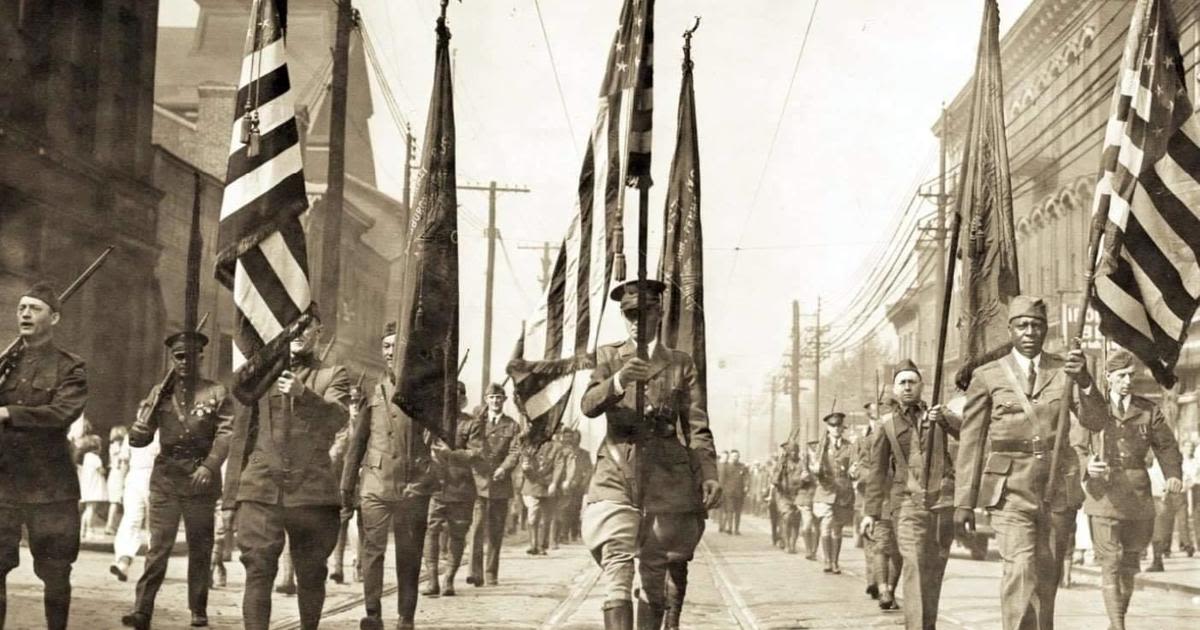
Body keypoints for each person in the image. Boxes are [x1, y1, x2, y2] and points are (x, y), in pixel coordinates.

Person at [954, 295, 1106, 630]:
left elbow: (1096, 421)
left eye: (1036, 325)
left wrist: (1085, 381)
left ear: (1045, 330)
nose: (1030, 332)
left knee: (1046, 577)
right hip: (1010, 491)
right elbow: (971, 442)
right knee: (1020, 570)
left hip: (1056, 487)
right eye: (1022, 325)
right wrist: (964, 501)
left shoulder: (1066, 369)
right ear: (1010, 329)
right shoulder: (987, 375)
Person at [579, 279, 721, 630]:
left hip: (666, 477)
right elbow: (588, 405)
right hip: (617, 470)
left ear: (659, 314)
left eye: (645, 314)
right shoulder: (609, 357)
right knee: (618, 563)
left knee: (656, 571)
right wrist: (619, 381)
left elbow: (697, 425)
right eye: (629, 315)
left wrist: (709, 472)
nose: (636, 322)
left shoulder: (679, 364)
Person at [224, 307, 351, 630]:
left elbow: (338, 417)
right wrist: (229, 497)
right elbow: (242, 436)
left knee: (310, 572)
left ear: (318, 333)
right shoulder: (261, 376)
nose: (297, 333)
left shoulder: (333, 374)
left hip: (311, 490)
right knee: (258, 569)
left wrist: (303, 394)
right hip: (262, 485)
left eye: (305, 328)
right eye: (291, 327)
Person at [120, 329, 234, 629]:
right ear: (172, 358)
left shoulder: (216, 393)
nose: (184, 362)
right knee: (158, 547)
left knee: (200, 546)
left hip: (200, 480)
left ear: (200, 357)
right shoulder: (160, 393)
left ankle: (198, 608)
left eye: (189, 356)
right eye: (178, 356)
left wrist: (209, 467)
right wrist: (140, 430)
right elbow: (140, 437)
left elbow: (225, 435)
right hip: (167, 479)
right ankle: (142, 610)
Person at [0, 282, 88, 630]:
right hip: (4, 484)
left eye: (34, 308)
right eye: (21, 307)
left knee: (55, 573)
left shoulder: (71, 367)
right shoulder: (5, 363)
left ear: (55, 318)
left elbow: (62, 413)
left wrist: (9, 413)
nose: (24, 313)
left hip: (50, 488)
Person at [341, 322, 440, 630]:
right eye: (385, 346)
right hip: (375, 482)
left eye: (395, 346)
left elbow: (439, 443)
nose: (388, 352)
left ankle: (406, 617)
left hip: (412, 484)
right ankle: (372, 614)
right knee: (372, 551)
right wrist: (346, 486)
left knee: (409, 557)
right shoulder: (372, 389)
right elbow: (357, 441)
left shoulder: (424, 392)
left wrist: (424, 480)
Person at [1075, 349, 1182, 630]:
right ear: (1108, 378)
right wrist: (1087, 465)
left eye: (1130, 376)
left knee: (1130, 563)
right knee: (1111, 560)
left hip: (1137, 495)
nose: (1127, 381)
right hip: (1104, 494)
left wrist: (1173, 475)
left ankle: (1115, 622)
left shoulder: (1148, 410)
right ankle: (1119, 626)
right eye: (1121, 376)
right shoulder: (1093, 408)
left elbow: (1167, 446)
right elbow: (1075, 445)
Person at [861, 360, 960, 627]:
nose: (907, 387)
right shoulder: (886, 425)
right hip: (906, 505)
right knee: (914, 565)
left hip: (942, 504)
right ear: (894, 389)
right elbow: (877, 472)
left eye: (912, 382)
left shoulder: (940, 415)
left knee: (934, 570)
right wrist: (871, 512)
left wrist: (947, 420)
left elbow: (968, 433)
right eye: (902, 382)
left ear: (922, 386)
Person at [423, 381, 476, 597]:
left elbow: (477, 452)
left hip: (461, 486)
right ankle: (432, 580)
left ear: (462, 400)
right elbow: (421, 446)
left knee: (457, 533)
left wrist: (451, 453)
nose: (452, 401)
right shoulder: (432, 421)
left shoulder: (471, 424)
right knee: (431, 530)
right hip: (435, 484)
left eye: (457, 396)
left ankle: (449, 580)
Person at [464, 382, 520, 587]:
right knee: (477, 528)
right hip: (479, 481)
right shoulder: (477, 423)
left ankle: (491, 573)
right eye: (492, 397)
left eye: (499, 397)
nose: (495, 401)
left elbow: (515, 451)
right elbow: (469, 444)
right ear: (486, 400)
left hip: (500, 483)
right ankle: (475, 572)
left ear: (504, 401)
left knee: (495, 531)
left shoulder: (512, 425)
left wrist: (504, 468)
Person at [111, 430, 160, 582]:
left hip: (157, 477)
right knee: (131, 519)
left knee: (154, 523)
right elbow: (125, 462)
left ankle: (154, 566)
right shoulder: (132, 434)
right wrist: (120, 486)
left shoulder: (163, 433)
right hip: (135, 477)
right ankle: (123, 562)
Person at [812, 412, 856, 574]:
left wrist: (853, 470)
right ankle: (827, 560)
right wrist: (815, 470)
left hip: (843, 491)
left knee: (837, 528)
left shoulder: (849, 446)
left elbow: (853, 465)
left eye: (838, 426)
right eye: (832, 426)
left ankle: (835, 562)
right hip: (825, 490)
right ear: (828, 428)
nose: (836, 429)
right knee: (826, 525)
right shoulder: (820, 447)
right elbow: (813, 468)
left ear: (842, 428)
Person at [520, 426, 565, 555]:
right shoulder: (529, 445)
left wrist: (554, 483)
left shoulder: (556, 447)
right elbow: (523, 458)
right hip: (532, 484)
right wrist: (525, 467)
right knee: (533, 515)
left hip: (548, 486)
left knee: (546, 517)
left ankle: (542, 545)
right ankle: (533, 545)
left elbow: (559, 465)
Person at [772, 443, 813, 555]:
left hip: (798, 494)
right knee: (787, 517)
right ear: (788, 452)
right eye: (791, 451)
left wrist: (806, 478)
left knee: (796, 520)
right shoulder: (783, 463)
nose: (794, 453)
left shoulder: (802, 463)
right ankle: (787, 544)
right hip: (783, 494)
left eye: (796, 451)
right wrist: (781, 467)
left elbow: (809, 478)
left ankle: (792, 544)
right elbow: (774, 480)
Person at [77, 433, 108, 540]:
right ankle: (90, 530)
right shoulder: (95, 458)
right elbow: (101, 471)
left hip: (87, 486)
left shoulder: (86, 457)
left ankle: (83, 530)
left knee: (87, 509)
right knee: (91, 509)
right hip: (94, 486)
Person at [106, 426, 131, 535]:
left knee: (116, 501)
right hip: (118, 473)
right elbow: (122, 461)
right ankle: (110, 525)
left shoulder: (113, 446)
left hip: (115, 473)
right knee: (116, 501)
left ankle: (113, 525)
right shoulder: (116, 447)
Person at [721, 450, 750, 535]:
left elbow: (747, 477)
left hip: (739, 493)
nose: (735, 458)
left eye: (737, 456)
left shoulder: (742, 467)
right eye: (733, 456)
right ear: (731, 457)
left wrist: (746, 486)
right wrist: (723, 491)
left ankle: (736, 529)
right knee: (730, 510)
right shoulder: (726, 467)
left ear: (739, 457)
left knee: (738, 512)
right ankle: (729, 528)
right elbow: (722, 480)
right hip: (728, 493)